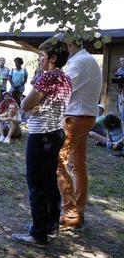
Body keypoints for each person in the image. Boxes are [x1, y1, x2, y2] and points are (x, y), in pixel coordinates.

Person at [11, 38, 72, 247]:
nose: (39, 60)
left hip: (42, 135)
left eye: (42, 56)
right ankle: (50, 226)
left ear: (52, 58)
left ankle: (38, 234)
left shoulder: (47, 77)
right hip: (56, 132)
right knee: (49, 182)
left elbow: (26, 103)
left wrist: (30, 104)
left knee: (36, 184)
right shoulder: (65, 77)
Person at [56, 33, 102, 230]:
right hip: (84, 116)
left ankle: (71, 213)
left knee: (59, 163)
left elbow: (61, 91)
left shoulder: (79, 62)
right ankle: (77, 212)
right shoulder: (86, 59)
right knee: (77, 165)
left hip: (76, 117)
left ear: (69, 44)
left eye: (60, 46)